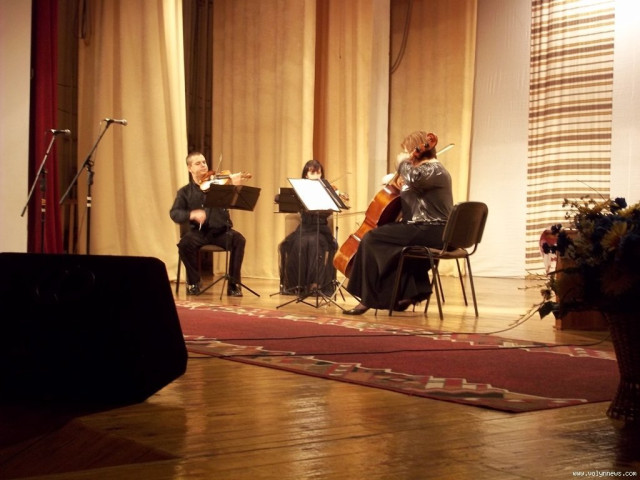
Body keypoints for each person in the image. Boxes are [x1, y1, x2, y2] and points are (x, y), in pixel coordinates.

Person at [344, 131, 453, 315]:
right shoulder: (425, 171)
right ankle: (411, 292)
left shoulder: (434, 169)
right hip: (423, 228)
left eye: (407, 150)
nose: (406, 154)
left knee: (371, 239)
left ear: (417, 149)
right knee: (392, 247)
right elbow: (414, 188)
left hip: (429, 229)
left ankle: (367, 299)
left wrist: (403, 162)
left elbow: (414, 178)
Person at [170, 151, 246, 296]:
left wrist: (236, 187)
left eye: (204, 162)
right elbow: (175, 213)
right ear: (190, 168)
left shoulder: (219, 187)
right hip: (199, 233)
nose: (203, 165)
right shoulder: (185, 192)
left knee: (239, 240)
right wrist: (192, 214)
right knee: (184, 244)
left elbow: (236, 203)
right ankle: (193, 282)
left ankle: (233, 284)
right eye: (198, 163)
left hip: (221, 232)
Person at [277, 159, 338, 296]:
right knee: (297, 244)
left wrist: (334, 197)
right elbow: (279, 198)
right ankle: (296, 285)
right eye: (312, 172)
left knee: (314, 242)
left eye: (318, 172)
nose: (316, 175)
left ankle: (315, 284)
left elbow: (330, 211)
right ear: (306, 174)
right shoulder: (301, 190)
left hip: (321, 230)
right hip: (304, 229)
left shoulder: (326, 190)